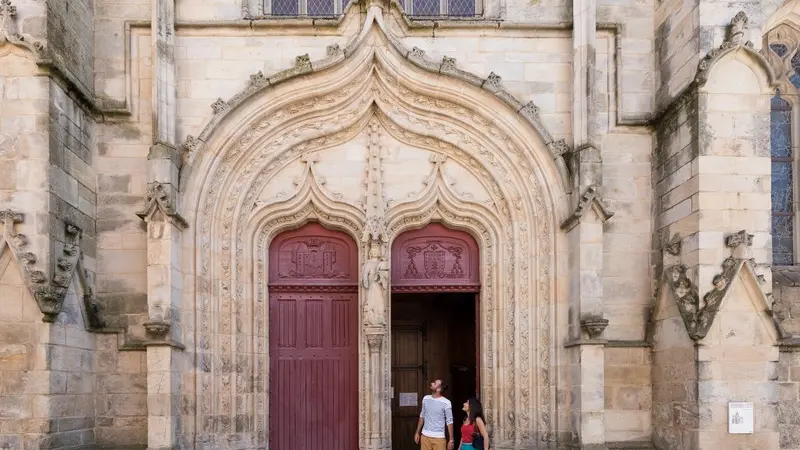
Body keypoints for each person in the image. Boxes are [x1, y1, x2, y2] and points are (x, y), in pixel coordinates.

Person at [414, 379, 455, 450]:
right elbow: (422, 416)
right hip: (425, 437)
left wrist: (451, 440)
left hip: (439, 438)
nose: (431, 383)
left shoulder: (446, 402)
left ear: (438, 389)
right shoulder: (425, 398)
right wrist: (417, 432)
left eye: (435, 383)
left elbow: (449, 421)